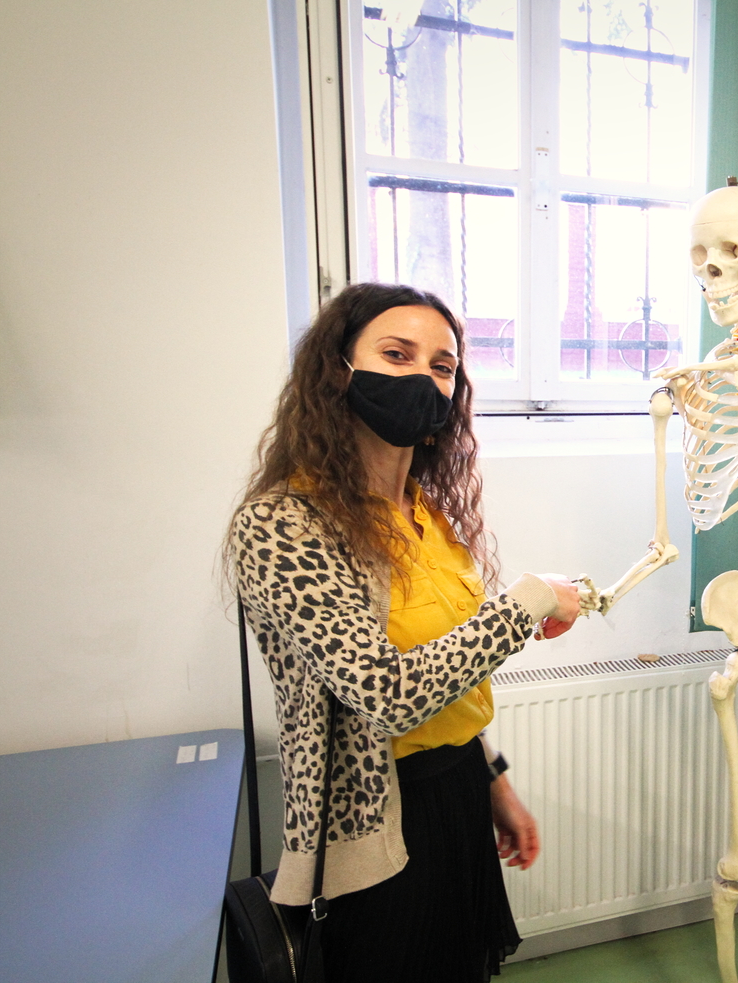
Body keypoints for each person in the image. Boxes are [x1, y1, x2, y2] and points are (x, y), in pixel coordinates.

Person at [226, 282, 582, 981]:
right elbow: (386, 692)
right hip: (374, 822)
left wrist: (493, 784)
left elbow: (450, 672)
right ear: (337, 370)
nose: (423, 377)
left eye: (442, 366)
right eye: (397, 354)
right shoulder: (282, 524)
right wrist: (529, 602)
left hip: (454, 796)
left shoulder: (430, 514)